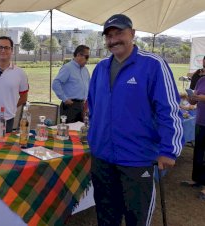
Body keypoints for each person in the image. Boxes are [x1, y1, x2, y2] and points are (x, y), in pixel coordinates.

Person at [87, 14, 184, 226]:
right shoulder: (100, 68)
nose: (114, 40)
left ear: (132, 34)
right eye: (109, 36)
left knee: (136, 218)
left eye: (119, 33)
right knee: (106, 216)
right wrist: (93, 139)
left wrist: (169, 149)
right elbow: (93, 108)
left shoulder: (153, 65)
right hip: (103, 158)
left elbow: (168, 110)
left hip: (136, 159)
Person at [52, 45, 90, 123]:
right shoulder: (67, 68)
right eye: (87, 57)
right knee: (68, 132)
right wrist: (64, 99)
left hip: (82, 106)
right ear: (79, 55)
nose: (87, 60)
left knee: (81, 132)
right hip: (70, 106)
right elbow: (56, 83)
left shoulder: (85, 70)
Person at [185, 76, 205, 199]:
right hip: (200, 122)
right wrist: (191, 97)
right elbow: (193, 102)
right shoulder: (201, 80)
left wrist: (202, 97)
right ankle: (197, 180)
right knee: (198, 153)